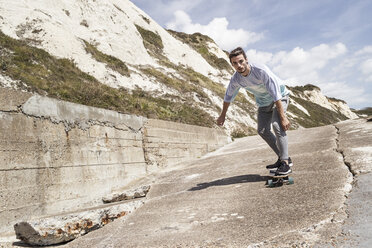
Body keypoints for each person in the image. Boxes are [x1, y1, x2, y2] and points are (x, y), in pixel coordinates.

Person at [217, 47, 293, 175]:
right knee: (262, 130)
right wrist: (222, 115)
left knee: (277, 125)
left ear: (246, 60)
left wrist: (283, 117)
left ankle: (285, 163)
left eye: (241, 61)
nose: (239, 65)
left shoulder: (260, 71)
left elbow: (275, 94)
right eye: (235, 63)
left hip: (280, 96)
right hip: (264, 102)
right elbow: (228, 97)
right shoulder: (236, 79)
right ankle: (282, 157)